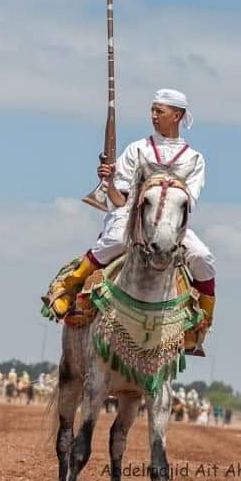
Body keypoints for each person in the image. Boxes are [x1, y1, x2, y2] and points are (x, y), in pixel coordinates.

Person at [50, 88, 216, 355]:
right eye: (152, 110)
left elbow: (188, 202)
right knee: (117, 239)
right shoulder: (137, 149)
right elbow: (119, 200)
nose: (153, 116)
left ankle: (199, 326)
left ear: (176, 116)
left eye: (159, 111)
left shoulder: (194, 159)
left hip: (171, 223)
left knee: (203, 257)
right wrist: (109, 182)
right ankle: (69, 287)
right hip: (132, 216)